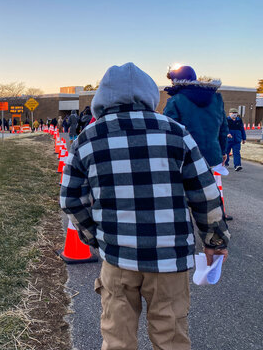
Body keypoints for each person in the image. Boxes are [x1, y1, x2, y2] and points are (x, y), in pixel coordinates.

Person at [60, 63, 230, 350]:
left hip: (117, 256)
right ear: (150, 95)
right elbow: (204, 193)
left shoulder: (86, 140)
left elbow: (71, 199)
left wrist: (94, 238)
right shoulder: (176, 133)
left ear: (102, 98)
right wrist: (214, 240)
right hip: (169, 258)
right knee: (171, 337)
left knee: (117, 338)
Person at [163, 65, 232, 220]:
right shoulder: (216, 99)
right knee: (211, 193)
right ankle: (215, 230)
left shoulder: (176, 100)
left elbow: (169, 130)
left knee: (181, 195)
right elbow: (223, 128)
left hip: (185, 156)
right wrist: (222, 152)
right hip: (212, 155)